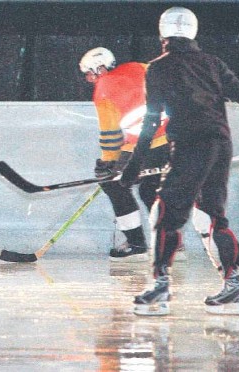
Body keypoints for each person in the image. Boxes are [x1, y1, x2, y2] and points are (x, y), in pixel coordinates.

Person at [121, 7, 239, 316]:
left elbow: (150, 122)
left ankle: (160, 286)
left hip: (190, 144)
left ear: (163, 35)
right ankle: (233, 287)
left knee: (164, 212)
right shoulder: (212, 63)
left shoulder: (158, 68)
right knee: (212, 216)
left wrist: (133, 165)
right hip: (220, 143)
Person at [79, 47, 171, 262]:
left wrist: (107, 164)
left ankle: (136, 244)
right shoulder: (139, 66)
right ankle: (171, 244)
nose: (88, 79)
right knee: (150, 189)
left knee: (113, 184)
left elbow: (110, 134)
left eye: (89, 73)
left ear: (100, 69)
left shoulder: (103, 89)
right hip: (169, 140)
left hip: (144, 146)